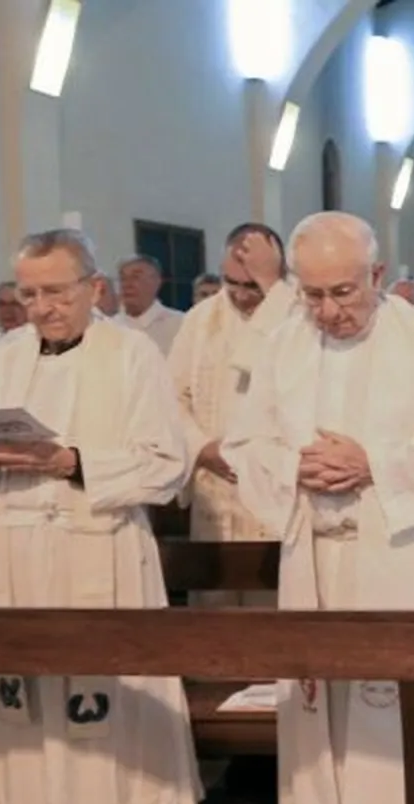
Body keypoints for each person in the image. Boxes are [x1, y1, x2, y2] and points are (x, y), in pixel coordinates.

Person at [222, 211, 414, 804]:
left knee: (399, 719)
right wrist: (292, 467)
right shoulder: (283, 343)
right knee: (324, 718)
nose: (327, 311)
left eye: (343, 292)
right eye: (312, 294)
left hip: (401, 555)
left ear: (378, 274)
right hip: (313, 556)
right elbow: (244, 444)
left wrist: (374, 464)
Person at [0, 228, 200, 804]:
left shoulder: (132, 354)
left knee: (105, 703)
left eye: (56, 292)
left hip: (97, 549)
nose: (42, 308)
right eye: (29, 295)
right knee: (26, 707)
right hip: (15, 557)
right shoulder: (5, 356)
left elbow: (166, 463)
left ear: (94, 288)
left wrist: (71, 461)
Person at [167, 223, 295, 607]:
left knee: (274, 609)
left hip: (272, 483)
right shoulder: (200, 319)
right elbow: (171, 398)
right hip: (214, 485)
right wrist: (202, 448)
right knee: (214, 609)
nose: (240, 294)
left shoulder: (297, 314)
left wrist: (274, 295)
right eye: (231, 282)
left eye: (252, 285)